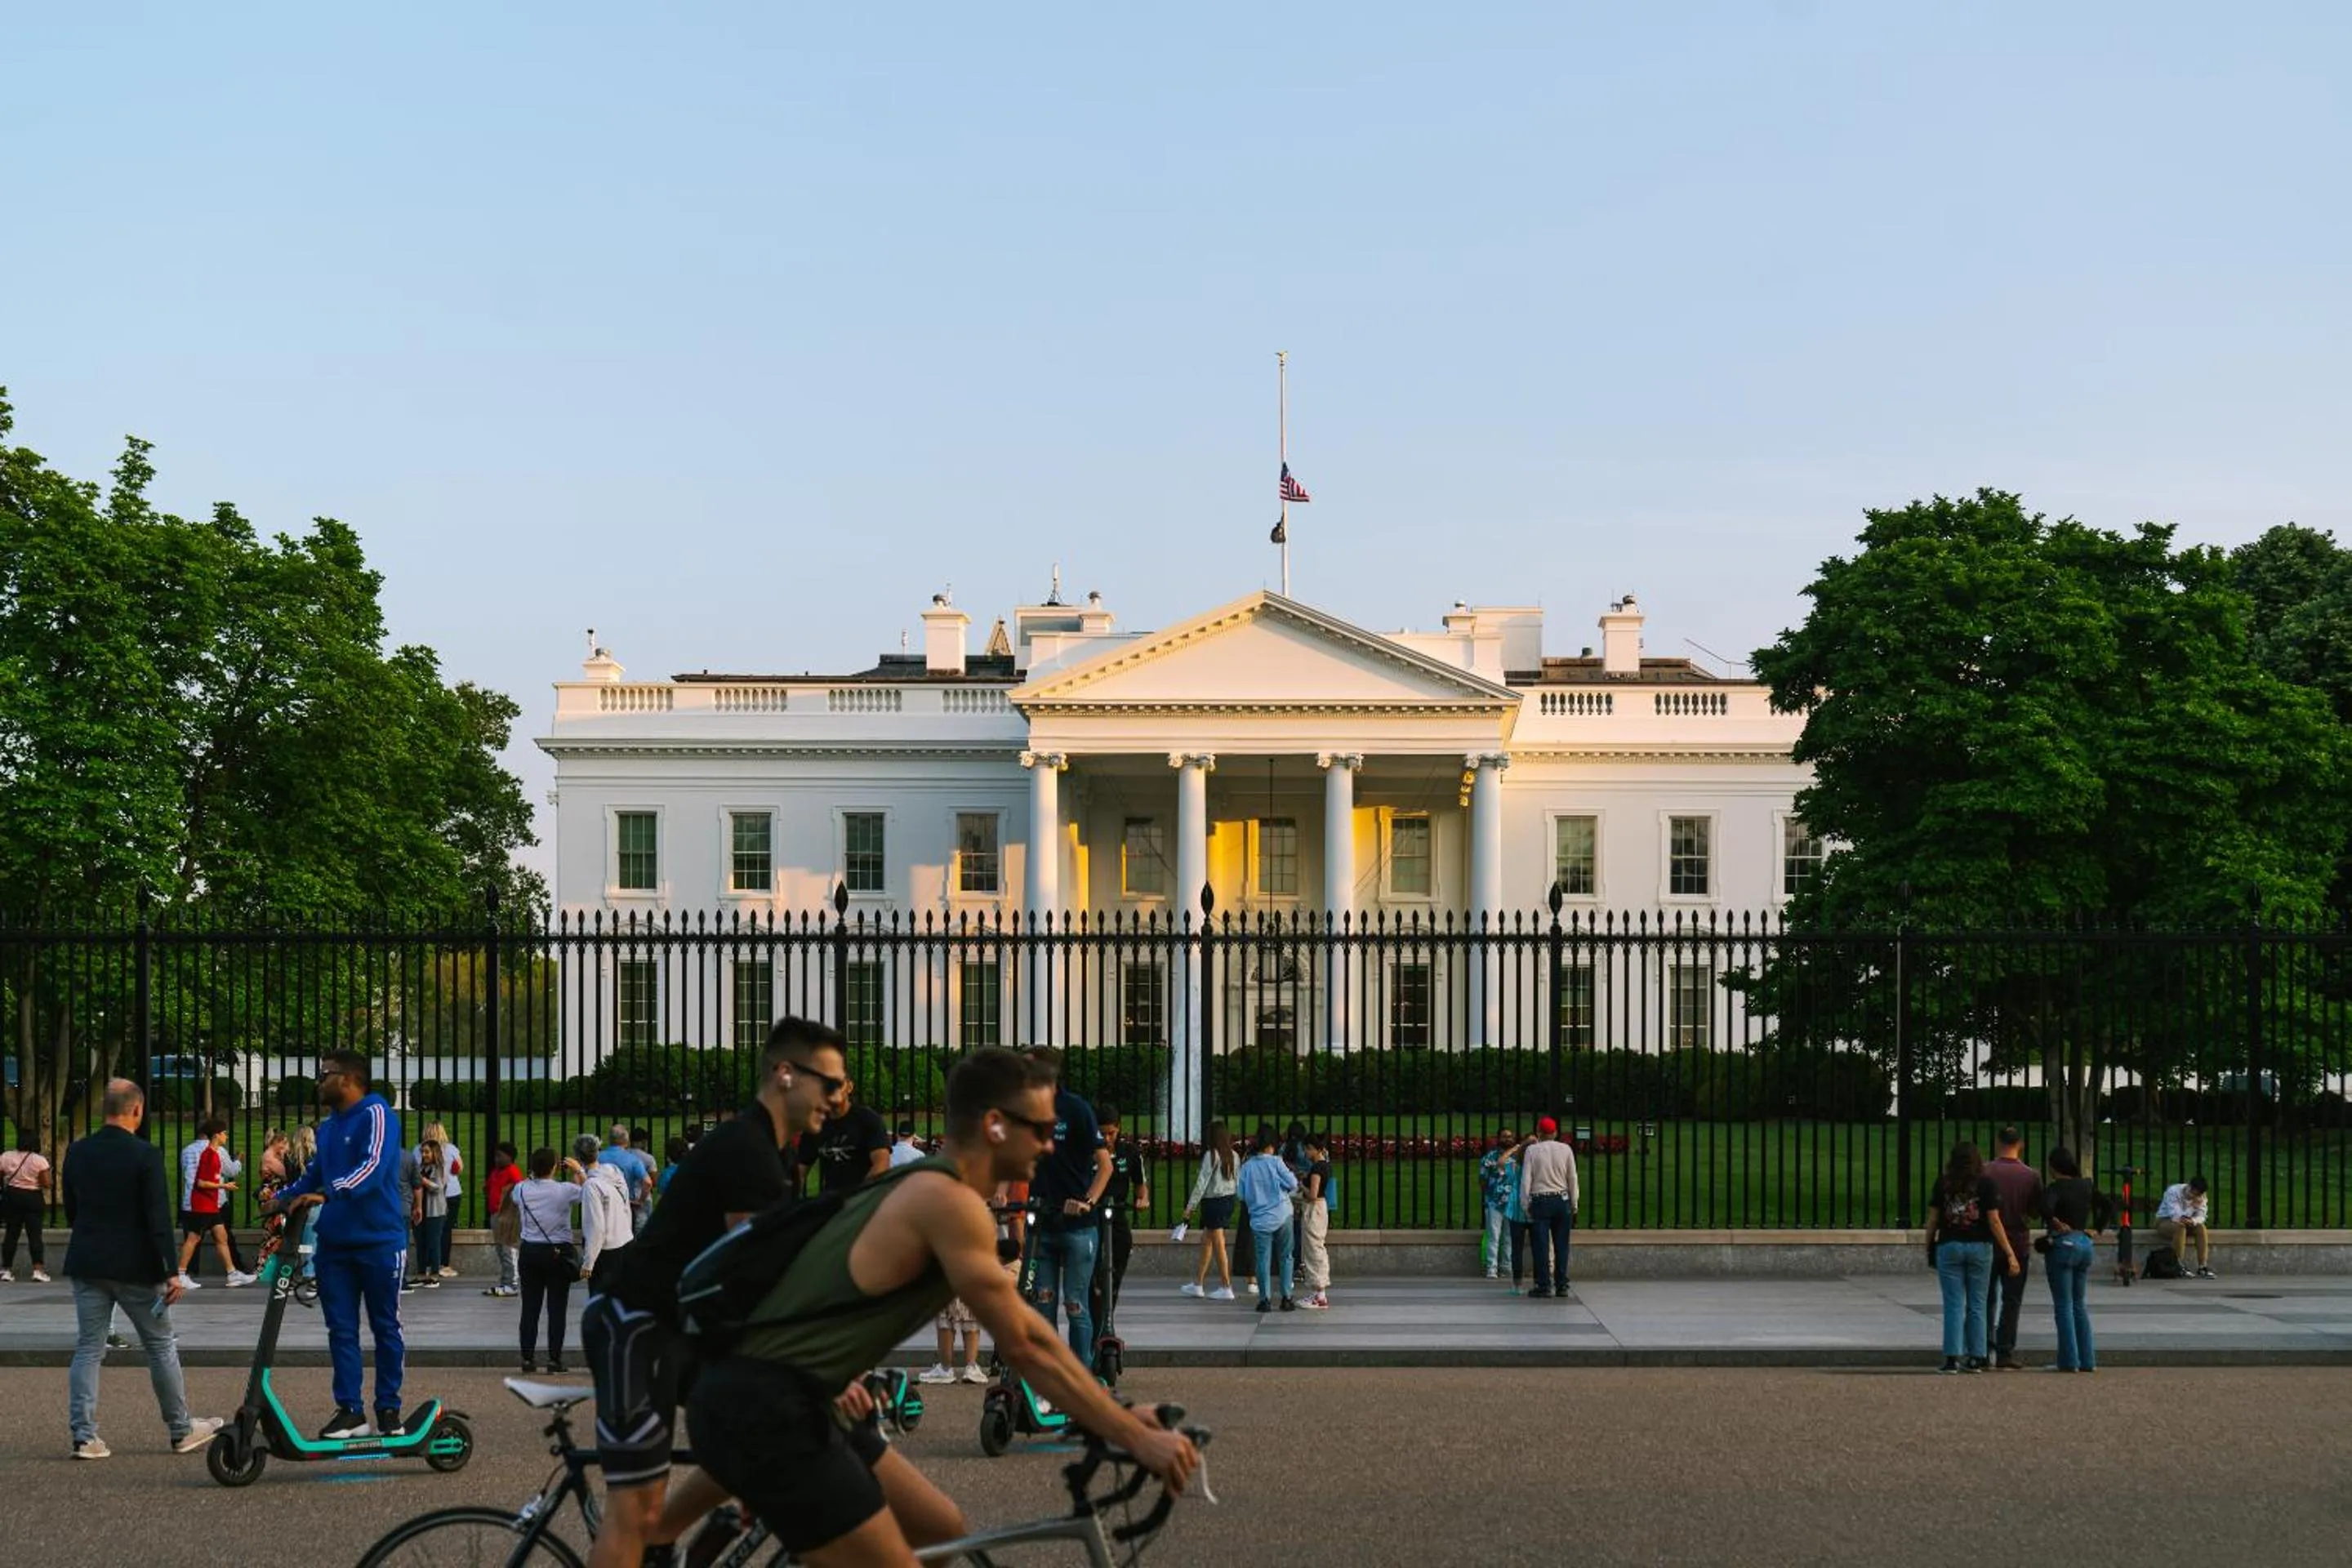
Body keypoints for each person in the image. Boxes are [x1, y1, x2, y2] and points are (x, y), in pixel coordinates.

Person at [684, 1047, 1199, 1566]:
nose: (1050, 1144)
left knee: (940, 1528)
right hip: (769, 1404)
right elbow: (1024, 1341)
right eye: (1040, 1128)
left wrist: (1116, 1413)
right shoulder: (947, 1202)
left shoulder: (930, 1183)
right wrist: (1129, 1433)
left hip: (798, 1392)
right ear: (995, 1124)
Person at [581, 1017, 849, 1568]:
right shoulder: (747, 1150)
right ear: (785, 1073)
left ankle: (667, 1541)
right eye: (829, 1083)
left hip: (682, 1329)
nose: (837, 1097)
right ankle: (652, 1537)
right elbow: (755, 1278)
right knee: (633, 1512)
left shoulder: (775, 1153)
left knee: (761, 1431)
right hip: (635, 1324)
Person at [61, 1079, 224, 1459]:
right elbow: (157, 1218)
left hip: (88, 1260)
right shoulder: (145, 1155)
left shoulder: (78, 1151)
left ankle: (84, 1436)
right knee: (160, 1345)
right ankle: (181, 1429)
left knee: (89, 1348)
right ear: (136, 1110)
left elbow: (72, 1208)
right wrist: (171, 1270)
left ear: (105, 1109)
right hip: (135, 1266)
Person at [276, 1050, 410, 1439]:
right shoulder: (330, 1127)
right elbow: (314, 1174)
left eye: (324, 1075)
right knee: (341, 1329)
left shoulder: (377, 1113)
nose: (319, 1082)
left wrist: (329, 1193)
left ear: (348, 1079)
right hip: (335, 1244)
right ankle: (351, 1411)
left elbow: (373, 1167)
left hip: (379, 1241)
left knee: (386, 1326)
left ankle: (388, 1408)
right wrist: (281, 1198)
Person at [1022, 1047, 1112, 1360]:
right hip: (1042, 1223)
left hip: (1078, 1226)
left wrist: (1087, 1201)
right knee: (1042, 1302)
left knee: (1075, 1304)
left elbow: (1105, 1166)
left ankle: (1080, 1372)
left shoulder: (1076, 1109)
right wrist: (1001, 1192)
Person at [1925, 1141, 2022, 1373]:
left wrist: (1929, 1245)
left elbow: (1933, 1219)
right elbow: (1994, 1220)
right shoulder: (1986, 1184)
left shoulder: (1943, 1184)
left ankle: (1951, 1358)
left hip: (1949, 1245)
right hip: (1980, 1246)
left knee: (1953, 1303)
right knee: (1977, 1303)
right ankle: (1977, 1356)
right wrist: (2010, 1252)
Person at [2039, 1146, 2115, 1374]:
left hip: (2063, 1244)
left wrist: (2055, 1222)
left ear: (2053, 1167)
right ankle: (2087, 1360)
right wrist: (2096, 1229)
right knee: (2079, 1304)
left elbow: (2044, 1208)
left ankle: (2068, 1360)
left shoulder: (2056, 1188)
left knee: (2063, 1305)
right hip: (2084, 1243)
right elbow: (2109, 1206)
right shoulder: (2086, 1185)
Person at [514, 1147, 583, 1374]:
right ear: (554, 1167)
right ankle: (554, 1359)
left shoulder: (521, 1189)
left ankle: (527, 1357)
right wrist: (578, 1171)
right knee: (557, 1308)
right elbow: (588, 1191)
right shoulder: (565, 1190)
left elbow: (517, 1195)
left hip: (530, 1249)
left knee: (530, 1307)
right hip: (557, 1250)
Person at [1982, 1125, 2044, 1370]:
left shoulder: (1985, 1171)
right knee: (2012, 1299)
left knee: (1985, 1299)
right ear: (2021, 1145)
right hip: (2018, 1242)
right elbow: (2035, 1211)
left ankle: (1983, 1349)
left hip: (1988, 1240)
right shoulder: (2031, 1175)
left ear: (1998, 1142)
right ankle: (2005, 1351)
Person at [176, 1119, 257, 1289]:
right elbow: (201, 1183)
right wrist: (223, 1186)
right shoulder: (210, 1155)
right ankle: (181, 1274)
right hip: (203, 1204)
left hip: (211, 1205)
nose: (226, 1136)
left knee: (222, 1237)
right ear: (216, 1136)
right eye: (224, 1133)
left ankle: (232, 1274)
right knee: (193, 1238)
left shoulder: (211, 1153)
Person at [1236, 1127, 1299, 1312]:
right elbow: (1293, 1183)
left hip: (1259, 1219)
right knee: (1286, 1256)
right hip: (1282, 1214)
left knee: (1262, 1259)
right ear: (1272, 1145)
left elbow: (1241, 1195)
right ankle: (1286, 1297)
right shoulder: (1277, 1162)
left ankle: (1265, 1300)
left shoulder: (1247, 1167)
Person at [1178, 1120, 1239, 1300]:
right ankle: (1198, 1283)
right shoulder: (1234, 1155)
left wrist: (1190, 1207)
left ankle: (1226, 1286)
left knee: (1218, 1243)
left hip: (1213, 1202)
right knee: (1207, 1241)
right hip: (1229, 1200)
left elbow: (1202, 1183)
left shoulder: (1211, 1155)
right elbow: (1237, 1180)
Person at [1519, 1117, 1579, 1298]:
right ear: (1555, 1132)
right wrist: (1574, 1202)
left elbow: (1526, 1179)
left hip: (1541, 1200)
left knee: (1541, 1245)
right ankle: (1562, 1284)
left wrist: (1525, 1204)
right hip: (1561, 1199)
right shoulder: (1566, 1149)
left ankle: (1543, 1284)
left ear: (1539, 1132)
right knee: (1562, 1245)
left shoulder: (1532, 1150)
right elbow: (1572, 1178)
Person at [1096, 1101, 1147, 1309]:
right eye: (1102, 1134)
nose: (1107, 1139)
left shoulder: (1130, 1152)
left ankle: (1112, 1293)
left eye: (1111, 1133)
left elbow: (1141, 1187)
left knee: (1123, 1245)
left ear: (1119, 1128)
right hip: (1093, 1213)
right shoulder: (1087, 1152)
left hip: (1116, 1212)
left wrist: (1142, 1200)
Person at [806, 1082, 891, 1195]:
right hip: (831, 1200)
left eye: (839, 1084)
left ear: (849, 1087)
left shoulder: (867, 1119)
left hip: (863, 1199)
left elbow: (881, 1164)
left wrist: (859, 1196)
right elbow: (800, 1168)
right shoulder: (817, 1123)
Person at [577, 1133, 635, 1288]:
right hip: (625, 1239)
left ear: (579, 1158)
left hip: (607, 1251)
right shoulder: (613, 1170)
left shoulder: (591, 1186)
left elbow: (596, 1227)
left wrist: (588, 1262)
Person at [1, 1129, 55, 1283]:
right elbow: (46, 1183)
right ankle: (38, 1270)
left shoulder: (6, 1156)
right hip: (32, 1198)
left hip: (12, 1197)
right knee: (35, 1235)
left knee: (11, 1234)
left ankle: (6, 1270)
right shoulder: (39, 1160)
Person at [419, 1120, 465, 1278]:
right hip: (451, 1192)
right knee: (446, 1230)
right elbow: (459, 1168)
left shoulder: (419, 1149)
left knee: (427, 1231)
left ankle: (427, 1264)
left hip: (428, 1195)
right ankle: (443, 1264)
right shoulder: (451, 1149)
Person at [1297, 1129, 1334, 1309]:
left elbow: (1312, 1194)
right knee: (1317, 1247)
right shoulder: (1325, 1165)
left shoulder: (1317, 1168)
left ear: (1314, 1148)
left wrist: (1299, 1185)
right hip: (1321, 1208)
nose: (1305, 1153)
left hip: (1314, 1210)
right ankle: (1319, 1292)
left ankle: (1319, 1294)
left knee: (1313, 1249)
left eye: (1307, 1149)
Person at [483, 1142, 523, 1297]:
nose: (497, 1159)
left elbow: (519, 1189)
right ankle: (505, 1281)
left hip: (508, 1216)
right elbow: (488, 1188)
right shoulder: (496, 1172)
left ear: (510, 1157)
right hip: (496, 1215)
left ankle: (512, 1283)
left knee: (508, 1249)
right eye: (496, 1156)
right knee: (501, 1250)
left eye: (500, 1156)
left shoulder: (512, 1171)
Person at [1479, 1129, 1518, 1281]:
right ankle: (1492, 1268)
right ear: (1498, 1138)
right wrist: (1490, 1195)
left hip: (1512, 1203)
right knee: (1494, 1236)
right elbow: (1482, 1179)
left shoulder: (1517, 1157)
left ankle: (1506, 1267)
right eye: (1504, 1136)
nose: (1508, 1139)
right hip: (1494, 1202)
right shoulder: (1490, 1157)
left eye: (1510, 1136)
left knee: (1509, 1237)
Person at [409, 1140, 448, 1290]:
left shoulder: (439, 1169)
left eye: (427, 1152)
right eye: (422, 1152)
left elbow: (437, 1187)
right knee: (420, 1242)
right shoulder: (420, 1168)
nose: (424, 1155)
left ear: (434, 1153)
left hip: (435, 1212)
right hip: (420, 1209)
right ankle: (421, 1273)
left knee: (433, 1242)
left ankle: (434, 1274)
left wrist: (422, 1180)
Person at [2157, 1175, 2214, 1278]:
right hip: (2165, 1220)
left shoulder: (2201, 1198)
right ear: (2189, 1185)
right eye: (2192, 1192)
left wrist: (2194, 1221)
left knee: (2201, 1228)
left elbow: (2202, 1216)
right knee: (2180, 1228)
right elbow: (2176, 1216)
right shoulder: (2173, 1192)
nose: (2192, 1196)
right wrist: (2192, 1207)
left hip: (2187, 1222)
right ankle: (2178, 1265)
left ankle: (2202, 1266)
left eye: (2196, 1194)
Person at [603, 1124, 653, 1220]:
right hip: (626, 1204)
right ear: (626, 1140)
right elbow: (648, 1182)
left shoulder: (599, 1158)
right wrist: (640, 1201)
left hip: (604, 1203)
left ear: (610, 1139)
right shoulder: (633, 1160)